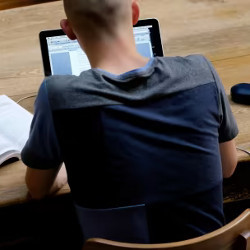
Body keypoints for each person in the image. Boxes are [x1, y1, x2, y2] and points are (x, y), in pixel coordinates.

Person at [21, 0, 238, 245]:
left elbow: (38, 189)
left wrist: (62, 172)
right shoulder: (202, 73)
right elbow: (227, 167)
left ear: (68, 30)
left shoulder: (59, 97)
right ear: (135, 13)